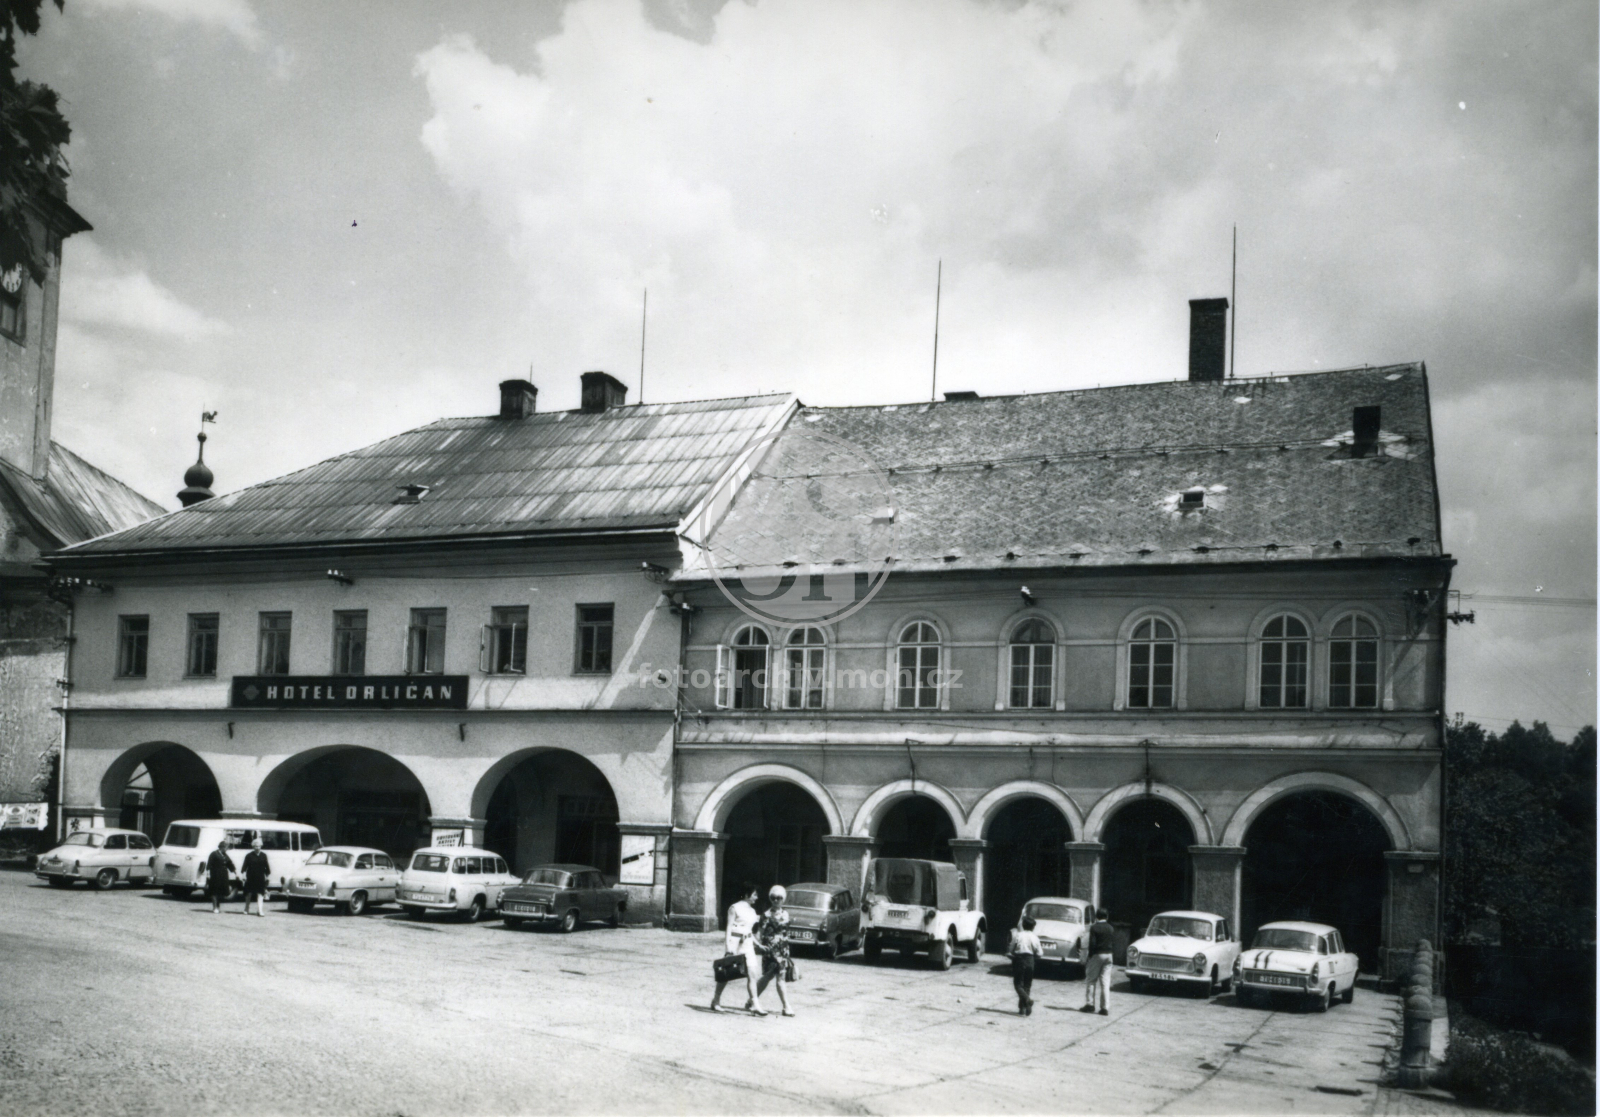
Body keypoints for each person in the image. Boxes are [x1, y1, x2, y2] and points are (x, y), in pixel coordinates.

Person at [711, 882, 764, 1015]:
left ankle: (755, 1005)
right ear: (747, 894)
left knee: (752, 973)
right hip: (734, 943)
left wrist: (758, 944)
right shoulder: (734, 908)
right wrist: (729, 947)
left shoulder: (752, 911)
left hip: (747, 944)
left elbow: (749, 931)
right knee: (727, 973)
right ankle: (716, 1001)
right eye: (754, 895)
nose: (756, 898)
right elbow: (729, 928)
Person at [754, 885, 794, 1017]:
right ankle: (785, 1006)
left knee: (774, 977)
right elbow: (759, 933)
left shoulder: (786, 914)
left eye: (779, 898)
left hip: (782, 951)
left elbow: (785, 933)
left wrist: (787, 951)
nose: (776, 900)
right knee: (773, 977)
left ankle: (752, 1000)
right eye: (773, 898)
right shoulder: (765, 915)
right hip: (770, 951)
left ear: (783, 899)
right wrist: (759, 946)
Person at [1081, 906, 1114, 1015]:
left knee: (1091, 980)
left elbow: (1092, 944)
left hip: (1097, 954)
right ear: (1107, 916)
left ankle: (1090, 1004)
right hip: (1109, 955)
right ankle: (1105, 1008)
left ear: (1096, 916)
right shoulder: (1110, 928)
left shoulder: (1094, 928)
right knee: (1105, 982)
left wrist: (1089, 957)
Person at [1009, 915, 1043, 1015]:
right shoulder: (1035, 937)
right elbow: (1040, 953)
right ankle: (1024, 1009)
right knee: (1027, 985)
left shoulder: (1018, 935)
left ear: (1023, 925)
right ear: (1033, 927)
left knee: (1018, 985)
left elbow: (1011, 949)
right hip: (1030, 960)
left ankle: (1027, 1000)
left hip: (1019, 960)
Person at [240, 836, 271, 918]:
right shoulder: (249, 856)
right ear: (253, 847)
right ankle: (246, 908)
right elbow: (244, 867)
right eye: (255, 846)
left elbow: (267, 867)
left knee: (260, 894)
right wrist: (243, 876)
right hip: (250, 877)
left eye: (259, 846)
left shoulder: (264, 855)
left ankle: (260, 910)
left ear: (261, 846)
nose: (257, 848)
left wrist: (267, 877)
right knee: (248, 894)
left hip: (260, 877)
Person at [205, 839, 235, 915]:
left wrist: (234, 871)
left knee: (221, 892)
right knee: (214, 891)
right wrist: (208, 873)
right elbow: (209, 864)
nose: (226, 849)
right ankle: (214, 907)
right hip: (215, 874)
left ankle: (218, 907)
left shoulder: (225, 855)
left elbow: (229, 863)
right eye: (226, 848)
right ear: (222, 847)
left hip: (223, 875)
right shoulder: (214, 854)